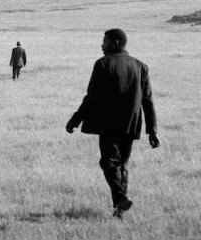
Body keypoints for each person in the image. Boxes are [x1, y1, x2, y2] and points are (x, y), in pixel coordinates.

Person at [66, 29, 159, 219]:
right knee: (122, 165)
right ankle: (120, 210)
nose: (102, 45)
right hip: (131, 124)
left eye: (105, 42)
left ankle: (121, 197)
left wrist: (75, 120)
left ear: (116, 42)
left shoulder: (103, 64)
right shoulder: (141, 66)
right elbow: (148, 101)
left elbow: (92, 97)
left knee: (108, 162)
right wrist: (152, 130)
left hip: (109, 122)